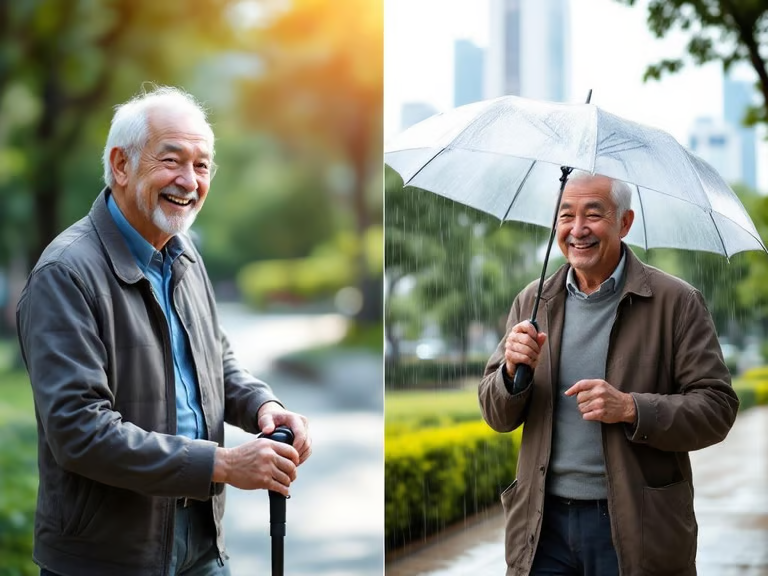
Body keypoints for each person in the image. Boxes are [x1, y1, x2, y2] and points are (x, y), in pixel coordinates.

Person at [16, 86, 312, 576]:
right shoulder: (65, 274)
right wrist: (223, 465)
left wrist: (265, 405)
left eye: (202, 165)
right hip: (107, 557)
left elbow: (216, 357)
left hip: (199, 544)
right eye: (172, 160)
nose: (189, 181)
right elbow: (79, 430)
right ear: (121, 165)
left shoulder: (184, 252)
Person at [479, 173, 738, 576]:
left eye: (593, 214)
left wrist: (631, 408)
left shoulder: (676, 302)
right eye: (566, 215)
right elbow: (497, 416)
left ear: (625, 222)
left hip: (636, 526)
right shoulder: (534, 300)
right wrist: (512, 373)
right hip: (540, 527)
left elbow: (717, 409)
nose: (577, 229)